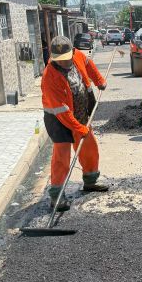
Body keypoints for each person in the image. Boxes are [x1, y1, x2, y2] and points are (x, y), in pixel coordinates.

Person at [41, 36, 109, 210]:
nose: (63, 63)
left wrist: (99, 80)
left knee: (89, 147)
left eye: (66, 58)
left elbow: (88, 64)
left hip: (81, 113)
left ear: (72, 52)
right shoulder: (49, 76)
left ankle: (90, 180)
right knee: (62, 156)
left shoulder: (78, 55)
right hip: (58, 120)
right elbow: (62, 112)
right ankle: (57, 195)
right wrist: (79, 128)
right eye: (59, 60)